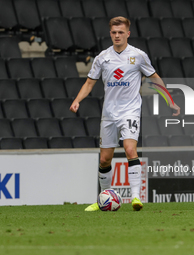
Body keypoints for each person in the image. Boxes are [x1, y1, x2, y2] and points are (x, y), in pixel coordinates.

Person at [70, 16, 180, 211]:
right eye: (114, 32)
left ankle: (136, 198)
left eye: (121, 32)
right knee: (105, 159)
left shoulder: (138, 56)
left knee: (130, 150)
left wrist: (169, 101)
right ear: (110, 34)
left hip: (130, 111)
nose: (117, 36)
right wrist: (77, 100)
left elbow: (154, 78)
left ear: (128, 33)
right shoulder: (102, 58)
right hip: (109, 114)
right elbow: (89, 83)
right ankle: (103, 198)